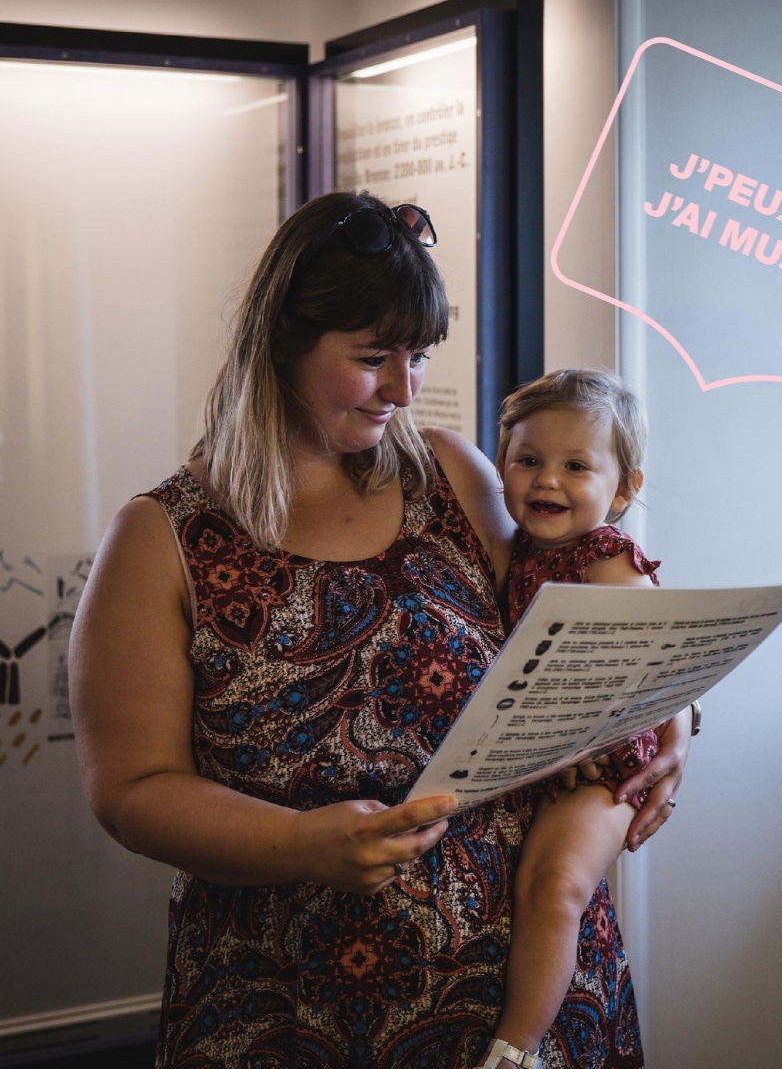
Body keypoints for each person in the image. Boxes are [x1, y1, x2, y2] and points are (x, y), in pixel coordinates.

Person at [68, 191, 690, 1069]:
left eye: (420, 356)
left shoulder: (453, 476)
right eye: (372, 358)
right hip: (289, 1008)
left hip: (535, 1004)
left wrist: (676, 719)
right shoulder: (165, 537)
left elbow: (581, 620)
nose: (404, 388)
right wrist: (297, 843)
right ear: (281, 345)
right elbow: (130, 791)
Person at [473, 370, 669, 1069]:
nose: (545, 480)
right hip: (547, 763)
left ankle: (515, 1050)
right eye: (528, 461)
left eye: (575, 466)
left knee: (554, 887)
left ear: (622, 489)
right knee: (532, 884)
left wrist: (668, 738)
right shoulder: (518, 553)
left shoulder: (605, 557)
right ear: (502, 467)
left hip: (606, 770)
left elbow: (662, 660)